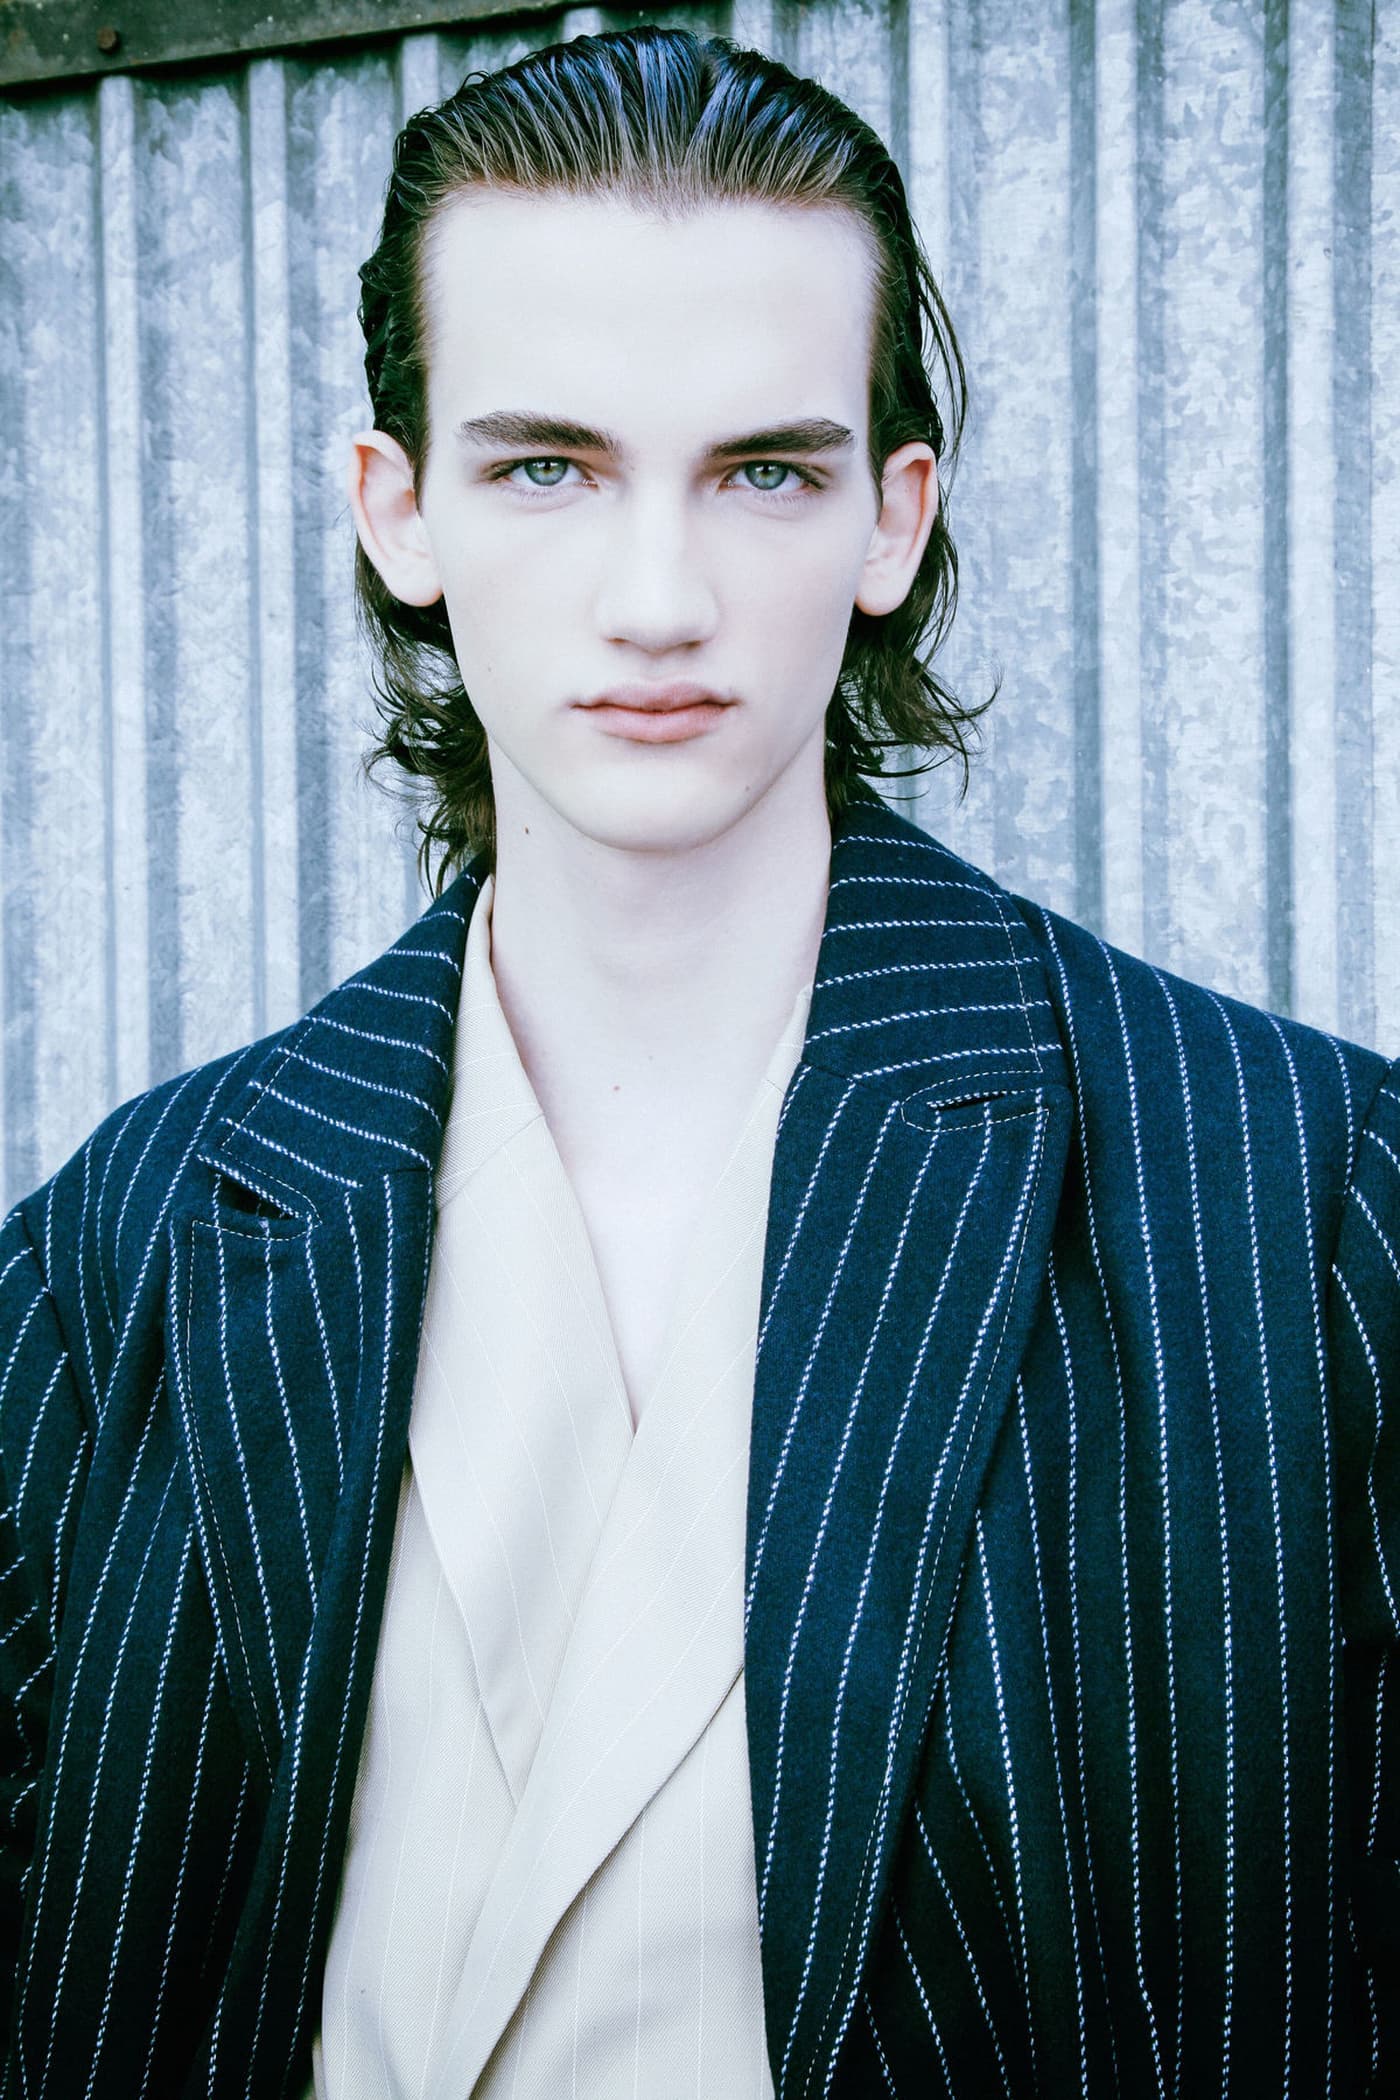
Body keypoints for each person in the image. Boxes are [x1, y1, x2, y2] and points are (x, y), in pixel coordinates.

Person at [0, 21, 1393, 2098]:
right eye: (545, 468)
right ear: (398, 511)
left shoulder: (1306, 1204)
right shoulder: (112, 1261)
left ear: (891, 522)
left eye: (762, 473)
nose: (657, 600)